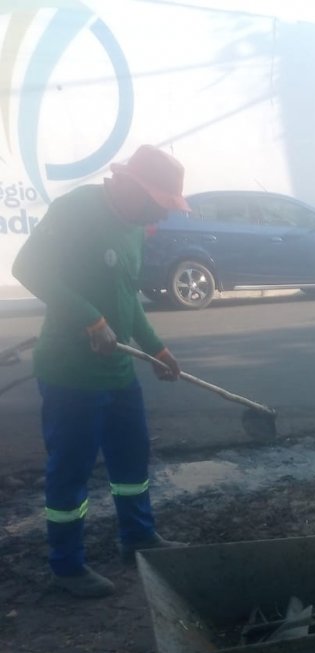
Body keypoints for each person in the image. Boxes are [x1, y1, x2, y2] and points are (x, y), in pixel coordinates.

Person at [12, 144, 190, 599]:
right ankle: (67, 565)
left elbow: (128, 298)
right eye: (158, 204)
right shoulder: (77, 209)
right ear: (131, 185)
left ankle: (137, 537)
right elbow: (27, 267)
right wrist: (90, 317)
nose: (162, 216)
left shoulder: (133, 227)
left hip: (119, 371)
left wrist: (157, 348)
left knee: (132, 459)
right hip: (71, 373)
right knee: (70, 469)